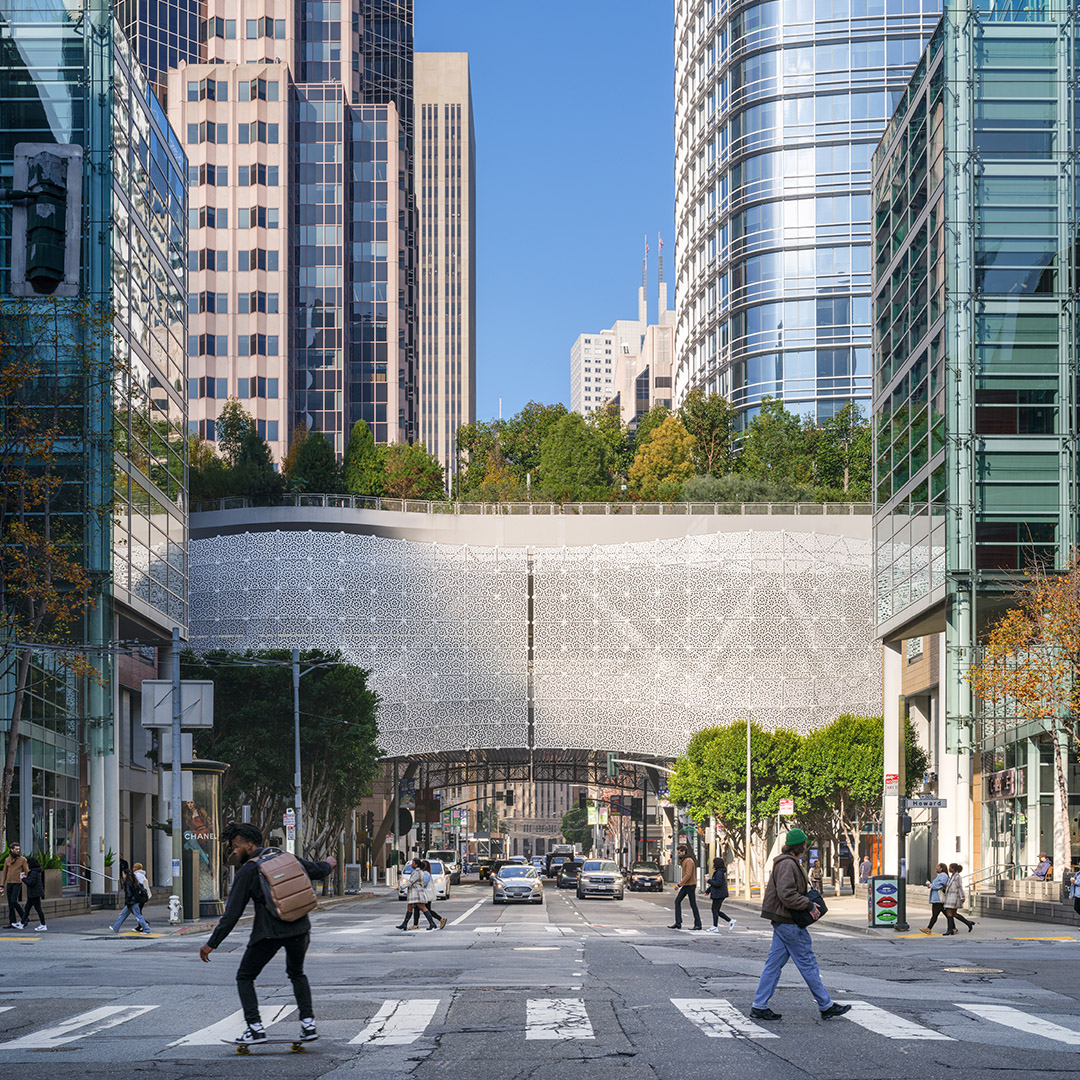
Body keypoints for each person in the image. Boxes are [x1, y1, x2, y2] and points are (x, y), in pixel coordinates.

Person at [199, 822, 335, 1045]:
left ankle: (254, 1028)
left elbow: (232, 913)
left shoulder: (249, 870)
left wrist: (212, 943)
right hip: (300, 929)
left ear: (249, 845)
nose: (234, 850)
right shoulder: (287, 857)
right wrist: (329, 863)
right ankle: (308, 1025)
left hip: (268, 933)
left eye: (236, 845)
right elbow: (317, 870)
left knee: (245, 976)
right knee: (297, 973)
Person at [749, 828, 850, 1023]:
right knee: (807, 963)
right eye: (805, 844)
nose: (806, 846)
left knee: (773, 965)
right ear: (800, 846)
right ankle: (826, 1005)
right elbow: (787, 894)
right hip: (789, 921)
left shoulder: (787, 862)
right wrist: (809, 903)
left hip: (782, 921)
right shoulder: (788, 864)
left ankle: (759, 1006)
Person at [669, 844, 702, 930]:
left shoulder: (689, 861)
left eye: (680, 852)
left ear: (684, 852)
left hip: (690, 885)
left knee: (693, 904)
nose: (678, 854)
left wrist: (679, 884)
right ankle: (678, 922)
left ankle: (698, 924)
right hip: (687, 885)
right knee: (677, 901)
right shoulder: (684, 860)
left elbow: (688, 874)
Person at [110, 866, 152, 934]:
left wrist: (127, 902)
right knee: (123, 914)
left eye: (123, 874)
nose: (122, 876)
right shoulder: (133, 880)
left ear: (125, 874)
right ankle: (115, 928)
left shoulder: (128, 882)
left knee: (138, 916)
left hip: (132, 902)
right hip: (133, 901)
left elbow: (129, 894)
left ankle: (146, 929)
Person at [410, 860, 445, 931]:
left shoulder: (425, 874)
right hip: (424, 894)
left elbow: (424, 883)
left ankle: (439, 919)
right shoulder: (426, 873)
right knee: (418, 909)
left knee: (426, 910)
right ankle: (416, 924)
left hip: (425, 894)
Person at [942, 862, 974, 935]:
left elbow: (959, 887)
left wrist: (962, 896)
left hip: (954, 896)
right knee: (953, 913)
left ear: (953, 869)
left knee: (949, 912)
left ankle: (950, 929)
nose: (949, 869)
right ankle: (968, 923)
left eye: (950, 867)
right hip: (950, 895)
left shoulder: (957, 877)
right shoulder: (952, 876)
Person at [705, 856, 734, 933]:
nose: (713, 865)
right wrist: (708, 891)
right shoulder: (719, 872)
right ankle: (730, 921)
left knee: (714, 909)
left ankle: (715, 926)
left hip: (719, 894)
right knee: (716, 910)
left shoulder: (719, 873)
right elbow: (715, 883)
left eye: (714, 863)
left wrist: (708, 881)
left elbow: (717, 883)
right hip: (719, 893)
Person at [2, 842, 28, 929]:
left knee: (14, 901)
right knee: (10, 903)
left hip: (17, 883)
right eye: (16, 849)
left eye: (18, 849)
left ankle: (24, 918)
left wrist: (23, 878)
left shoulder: (22, 860)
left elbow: (26, 871)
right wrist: (2, 884)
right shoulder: (7, 860)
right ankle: (12, 922)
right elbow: (4, 873)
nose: (17, 851)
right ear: (11, 849)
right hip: (9, 883)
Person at [921, 862, 949, 934]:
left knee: (937, 915)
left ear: (941, 868)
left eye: (938, 867)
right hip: (937, 899)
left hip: (938, 899)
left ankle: (929, 928)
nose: (936, 868)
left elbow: (939, 885)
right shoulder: (940, 875)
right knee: (946, 914)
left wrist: (930, 885)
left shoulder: (943, 875)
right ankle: (955, 927)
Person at [22, 856, 46, 931]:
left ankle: (43, 924)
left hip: (34, 893)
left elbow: (31, 882)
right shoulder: (35, 871)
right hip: (34, 893)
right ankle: (22, 923)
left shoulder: (34, 872)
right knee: (27, 908)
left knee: (37, 909)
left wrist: (23, 879)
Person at [1068, 864, 1080, 929]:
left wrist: (1074, 881)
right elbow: (1072, 885)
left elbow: (1077, 882)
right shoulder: (1077, 873)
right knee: (1076, 907)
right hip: (1077, 894)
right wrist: (1071, 895)